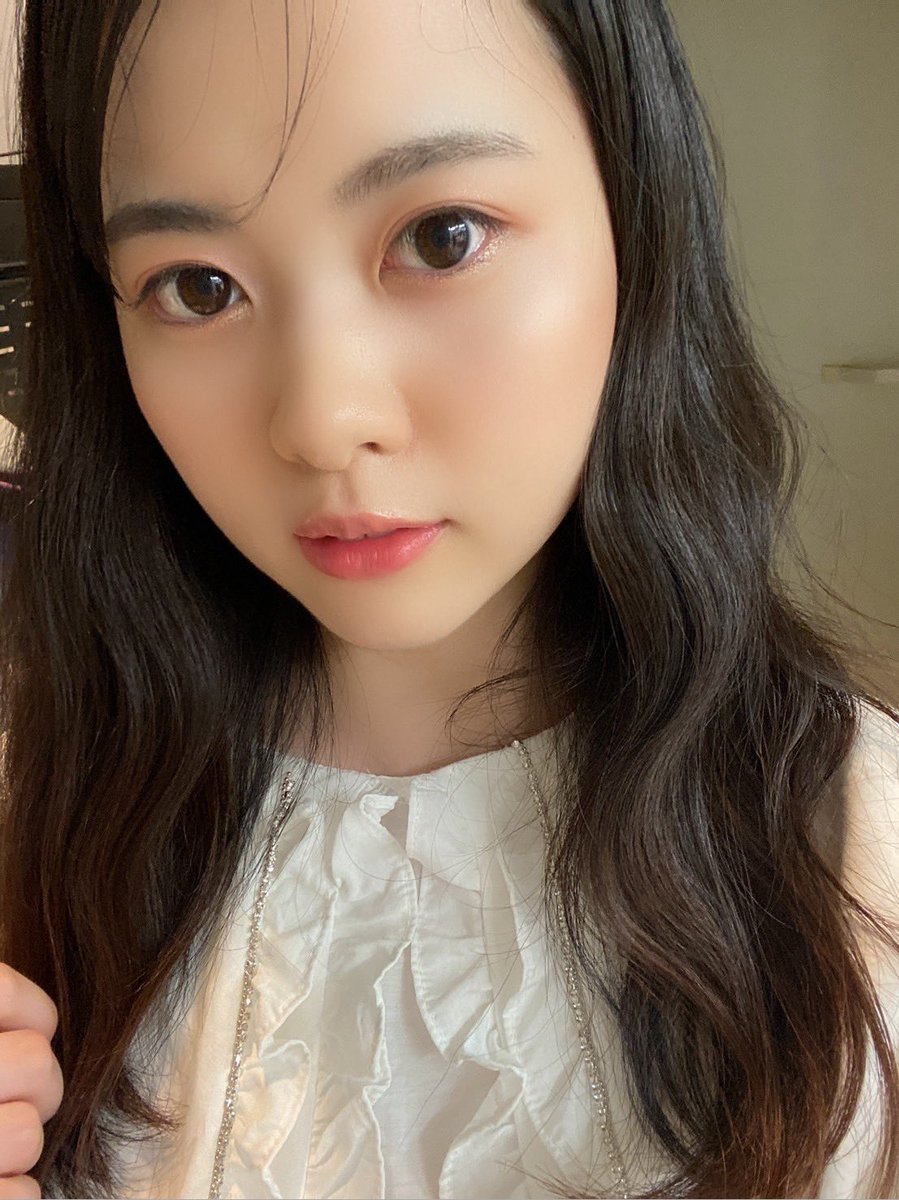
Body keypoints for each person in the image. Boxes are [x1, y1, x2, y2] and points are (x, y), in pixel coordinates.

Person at [0, 0, 897, 1196]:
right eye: (198, 289)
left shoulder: (859, 855)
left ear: (635, 218)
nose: (322, 420)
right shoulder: (42, 812)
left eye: (440, 237)